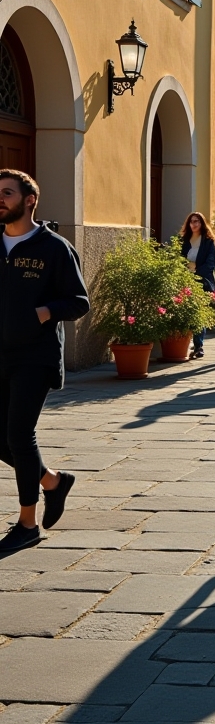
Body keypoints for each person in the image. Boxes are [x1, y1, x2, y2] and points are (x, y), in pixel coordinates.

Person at [0, 170, 89, 555]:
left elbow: (79, 302)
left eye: (7, 193)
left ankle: (27, 524)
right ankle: (52, 481)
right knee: (3, 438)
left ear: (29, 200)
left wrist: (42, 312)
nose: (0, 199)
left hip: (35, 357)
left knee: (20, 435)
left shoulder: (54, 248)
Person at [179, 212, 215, 359]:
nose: (193, 224)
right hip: (186, 281)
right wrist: (184, 269)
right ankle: (186, 343)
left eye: (196, 221)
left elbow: (211, 264)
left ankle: (198, 346)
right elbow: (178, 259)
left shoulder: (208, 242)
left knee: (199, 312)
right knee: (187, 312)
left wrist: (196, 269)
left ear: (202, 224)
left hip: (202, 281)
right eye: (191, 221)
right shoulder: (183, 240)